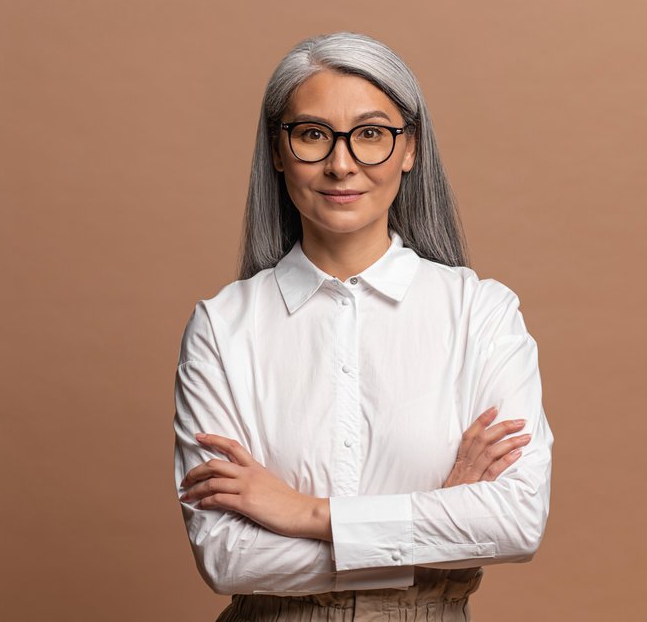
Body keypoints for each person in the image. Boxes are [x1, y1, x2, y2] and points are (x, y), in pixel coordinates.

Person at [174, 32, 552, 620]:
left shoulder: (481, 312)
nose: (341, 163)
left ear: (410, 148)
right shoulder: (222, 326)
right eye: (312, 135)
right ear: (277, 150)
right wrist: (437, 527)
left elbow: (516, 520)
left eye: (371, 134)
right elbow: (228, 557)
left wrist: (305, 513)